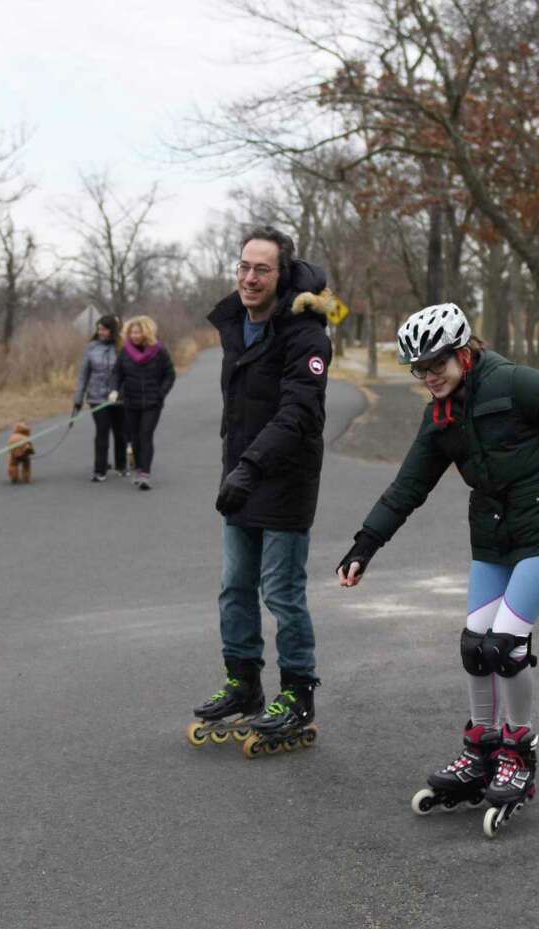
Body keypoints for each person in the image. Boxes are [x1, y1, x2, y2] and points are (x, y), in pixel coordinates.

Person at [335, 302, 539, 825]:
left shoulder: (517, 384)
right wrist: (364, 546)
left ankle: (517, 751)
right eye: (418, 369)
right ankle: (481, 747)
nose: (427, 377)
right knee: (475, 643)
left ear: (463, 353)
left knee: (507, 643)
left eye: (435, 364)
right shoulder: (440, 416)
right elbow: (407, 488)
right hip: (492, 536)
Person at [190, 225, 335, 752]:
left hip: (286, 479)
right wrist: (238, 467)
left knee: (281, 592)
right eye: (244, 267)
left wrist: (249, 468)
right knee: (234, 587)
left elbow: (298, 412)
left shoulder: (306, 332)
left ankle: (297, 694)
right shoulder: (237, 322)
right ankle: (243, 684)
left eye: (262, 269)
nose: (250, 278)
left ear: (282, 273)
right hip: (243, 476)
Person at [110, 315, 175, 491]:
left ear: (146, 332)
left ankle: (145, 474)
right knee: (135, 437)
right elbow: (117, 373)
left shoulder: (159, 350)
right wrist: (115, 390)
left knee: (146, 435)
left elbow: (170, 374)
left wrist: (161, 393)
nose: (135, 335)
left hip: (152, 403)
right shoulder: (125, 352)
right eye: (132, 332)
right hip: (130, 401)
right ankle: (139, 468)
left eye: (138, 332)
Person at [72, 315, 127, 482]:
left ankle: (121, 465)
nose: (100, 332)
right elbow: (84, 374)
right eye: (99, 329)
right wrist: (78, 398)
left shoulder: (122, 347)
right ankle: (100, 469)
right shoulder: (91, 347)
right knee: (102, 431)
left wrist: (123, 391)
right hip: (97, 397)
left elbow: (127, 372)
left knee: (120, 433)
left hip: (119, 398)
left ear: (112, 331)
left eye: (104, 329)